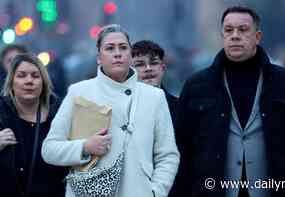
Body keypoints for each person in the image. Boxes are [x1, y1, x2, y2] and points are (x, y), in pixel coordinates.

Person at [173, 6, 285, 197]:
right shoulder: (196, 87)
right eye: (229, 30)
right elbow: (180, 152)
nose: (235, 35)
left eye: (243, 29)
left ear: (257, 36)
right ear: (222, 36)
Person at [41, 24, 179, 197]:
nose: (117, 53)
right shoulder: (79, 92)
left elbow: (168, 155)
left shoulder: (154, 97)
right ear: (99, 57)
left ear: (130, 55)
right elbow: (49, 149)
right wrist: (84, 146)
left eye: (123, 47)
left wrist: (156, 192)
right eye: (109, 48)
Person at [0, 54, 66, 196]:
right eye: (21, 76)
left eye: (35, 76)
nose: (29, 81)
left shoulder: (60, 115)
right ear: (11, 81)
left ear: (43, 82)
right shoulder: (1, 114)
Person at [132, 40, 178, 123]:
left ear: (163, 68)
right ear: (130, 72)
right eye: (140, 64)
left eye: (154, 63)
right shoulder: (123, 109)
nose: (148, 68)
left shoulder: (180, 107)